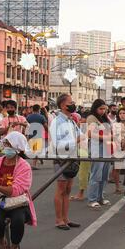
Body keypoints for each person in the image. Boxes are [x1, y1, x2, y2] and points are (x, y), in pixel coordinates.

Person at [49, 94, 82, 230]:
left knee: (68, 189)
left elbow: (80, 134)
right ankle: (59, 220)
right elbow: (57, 144)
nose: (73, 104)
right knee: (61, 189)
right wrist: (76, 141)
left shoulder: (71, 121)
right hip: (61, 158)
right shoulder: (57, 122)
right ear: (63, 105)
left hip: (72, 158)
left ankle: (66, 218)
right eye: (71, 102)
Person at [86, 99, 112, 209]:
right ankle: (92, 199)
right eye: (101, 109)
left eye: (104, 109)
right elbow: (90, 133)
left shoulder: (105, 118)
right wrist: (106, 137)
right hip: (97, 147)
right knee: (96, 174)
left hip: (106, 147)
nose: (103, 111)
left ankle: (100, 197)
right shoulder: (91, 118)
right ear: (95, 108)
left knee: (104, 175)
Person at [111, 107, 125, 194]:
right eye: (120, 114)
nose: (122, 115)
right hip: (118, 148)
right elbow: (114, 136)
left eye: (124, 113)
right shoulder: (115, 124)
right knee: (117, 168)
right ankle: (117, 186)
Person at [26, 104, 48, 170]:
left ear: (33, 109)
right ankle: (34, 164)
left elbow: (26, 125)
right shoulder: (41, 117)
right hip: (39, 135)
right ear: (39, 109)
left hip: (30, 135)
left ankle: (39, 159)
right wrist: (48, 132)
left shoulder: (28, 117)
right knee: (36, 149)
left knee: (35, 149)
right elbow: (45, 126)